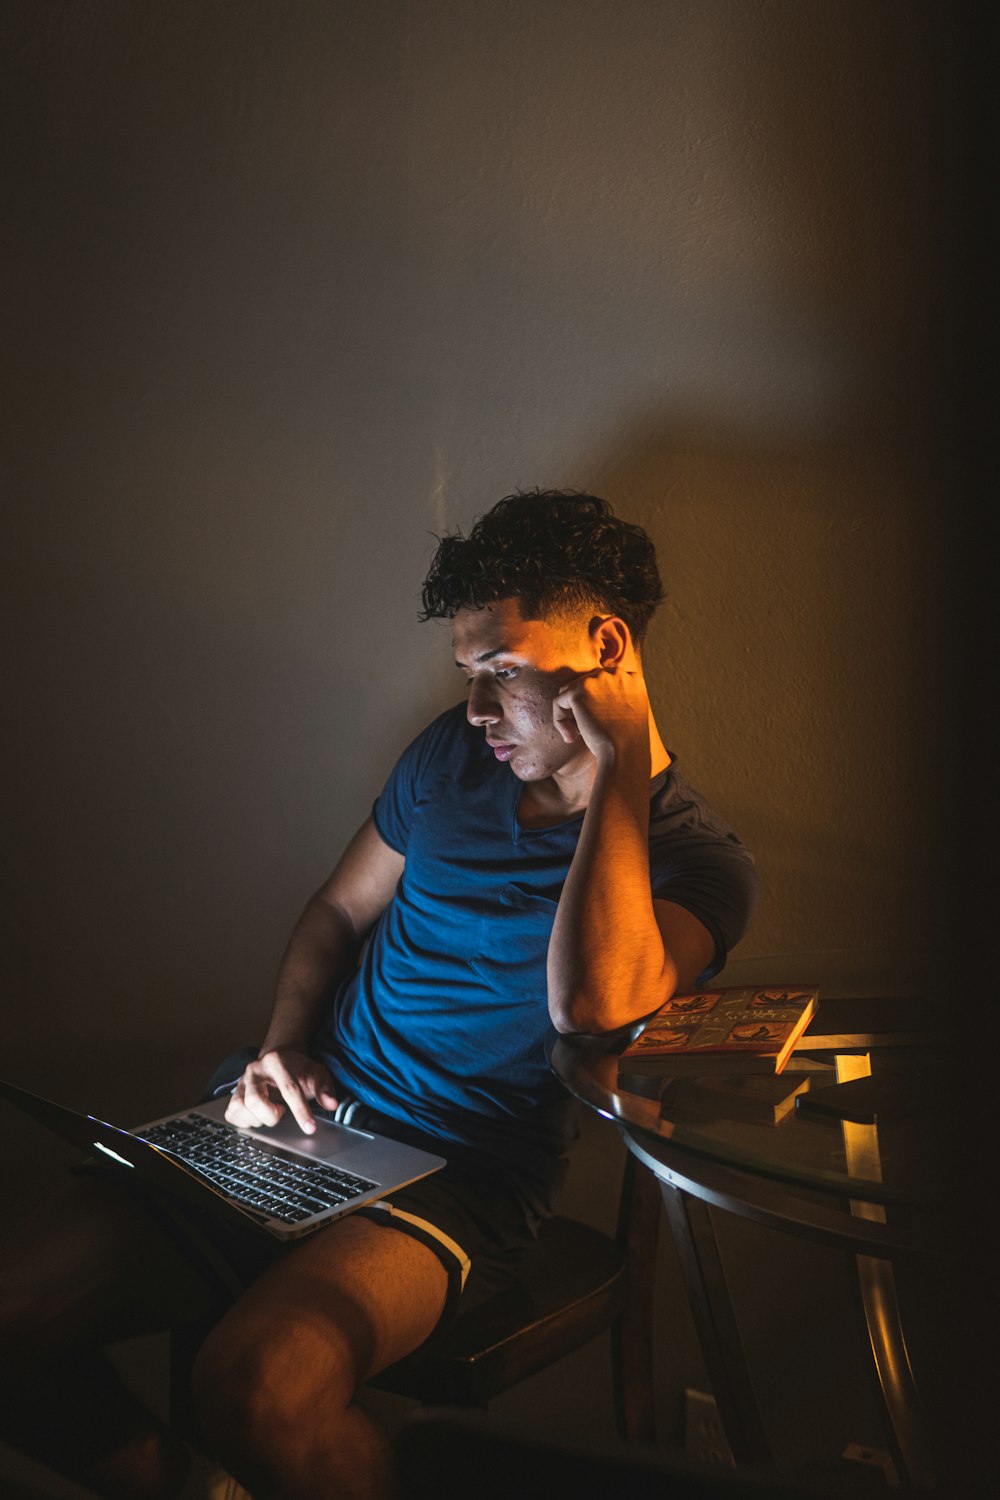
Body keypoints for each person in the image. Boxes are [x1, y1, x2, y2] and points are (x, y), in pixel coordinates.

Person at [0, 490, 756, 1500]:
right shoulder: (451, 756)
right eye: (469, 676)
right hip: (299, 1125)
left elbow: (593, 1006)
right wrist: (281, 1048)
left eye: (500, 672)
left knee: (254, 1390)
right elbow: (335, 914)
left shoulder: (696, 859)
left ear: (607, 649)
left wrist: (618, 764)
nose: (478, 709)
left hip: (457, 1177)